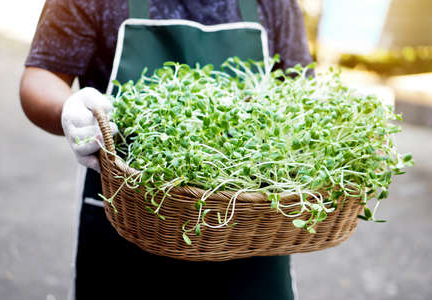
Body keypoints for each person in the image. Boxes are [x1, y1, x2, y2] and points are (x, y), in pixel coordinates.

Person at [19, 0, 313, 299]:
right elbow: (43, 75)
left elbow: (301, 92)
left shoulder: (278, 4)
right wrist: (68, 109)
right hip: (128, 224)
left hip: (250, 235)